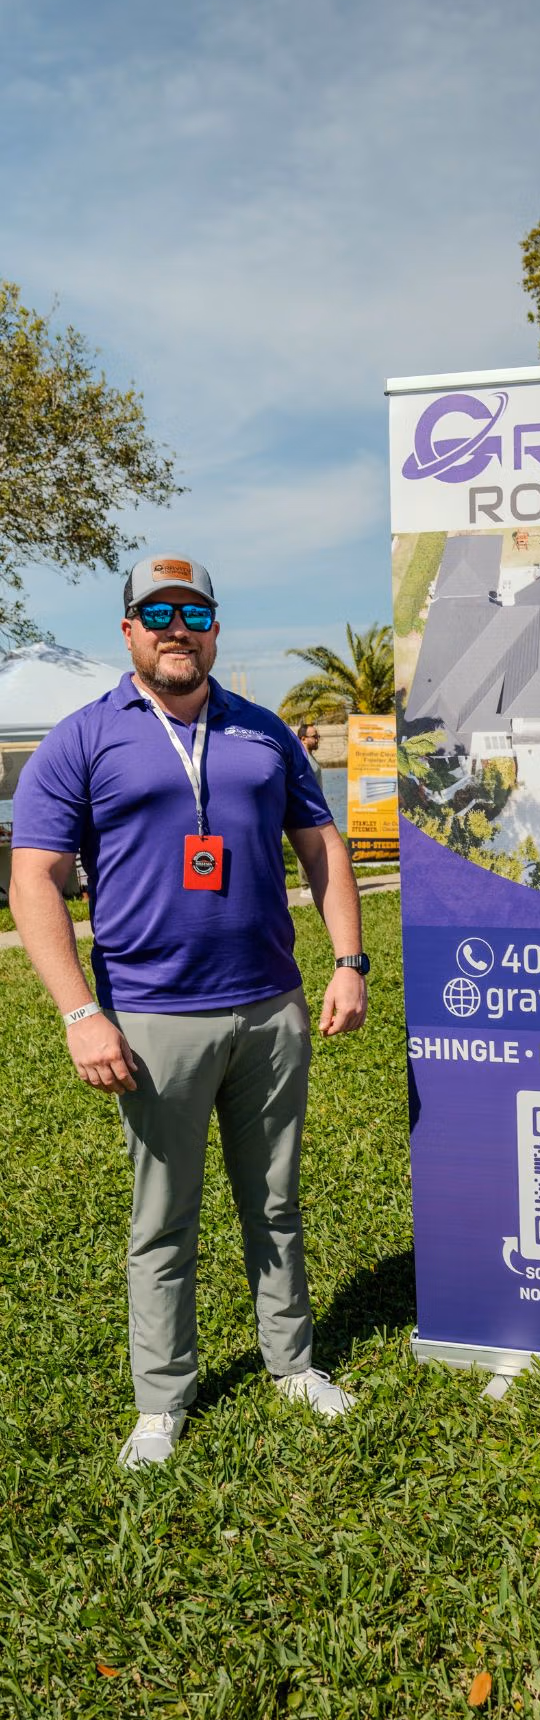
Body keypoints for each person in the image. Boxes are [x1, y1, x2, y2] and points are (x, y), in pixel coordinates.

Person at [10, 553, 370, 1469]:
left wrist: (349, 961)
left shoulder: (263, 732)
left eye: (196, 614)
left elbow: (321, 844)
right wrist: (80, 1014)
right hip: (151, 1018)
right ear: (129, 629)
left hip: (270, 1010)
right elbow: (35, 879)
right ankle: (162, 1399)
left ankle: (292, 1363)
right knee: (164, 1218)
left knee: (275, 1201)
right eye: (160, 613)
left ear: (214, 628)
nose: (179, 629)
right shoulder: (83, 738)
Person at [297, 721, 324, 790]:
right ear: (303, 739)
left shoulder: (309, 757)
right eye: (314, 737)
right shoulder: (302, 759)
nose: (317, 740)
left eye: (318, 736)